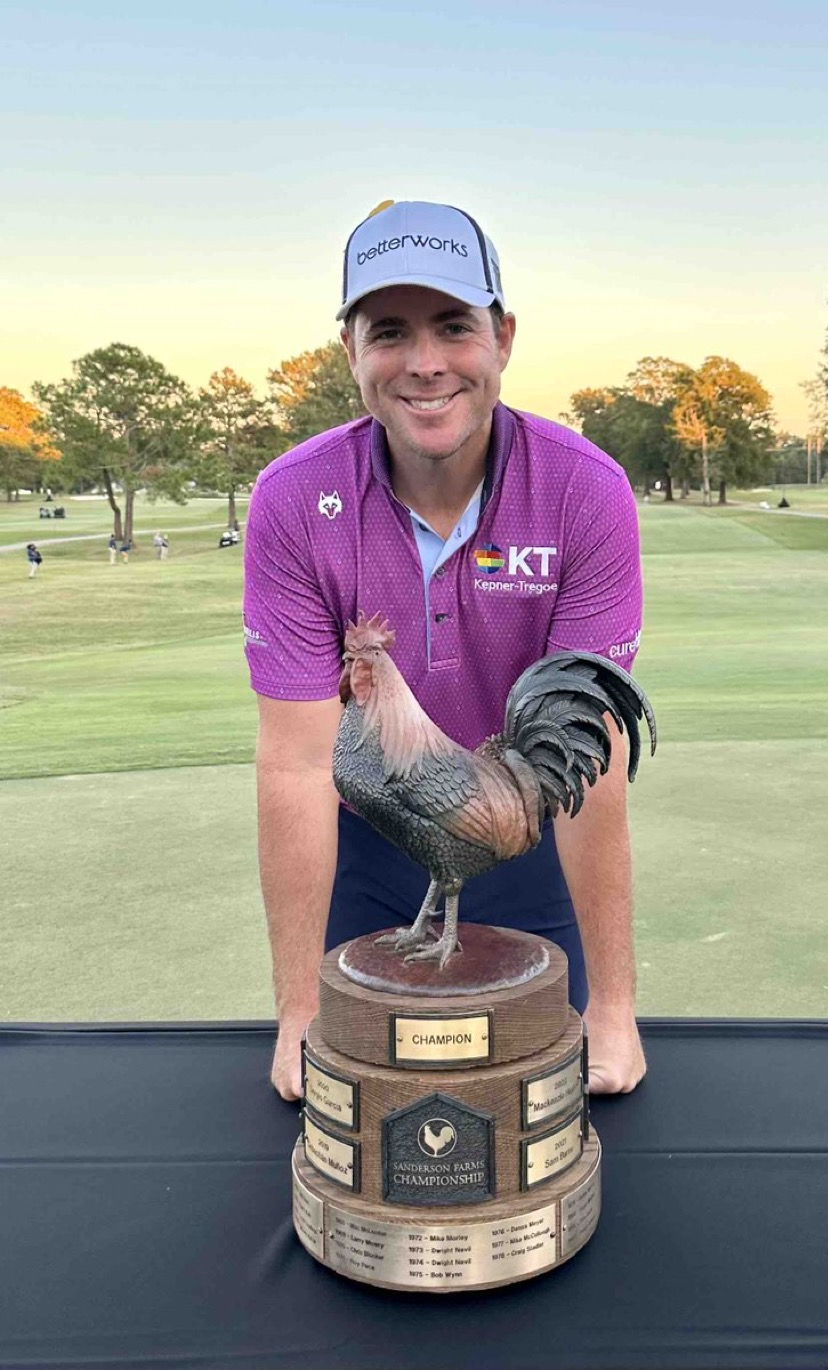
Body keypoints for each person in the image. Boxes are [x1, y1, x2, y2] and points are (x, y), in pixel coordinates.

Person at [243, 199, 646, 1103]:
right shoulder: (294, 501)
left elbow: (595, 754)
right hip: (372, 845)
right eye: (389, 330)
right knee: (363, 1101)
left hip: (530, 841)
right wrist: (298, 1011)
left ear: (502, 337)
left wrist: (615, 1008)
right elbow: (299, 765)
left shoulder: (585, 491)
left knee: (535, 1104)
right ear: (351, 350)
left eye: (454, 326)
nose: (425, 363)